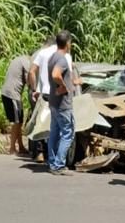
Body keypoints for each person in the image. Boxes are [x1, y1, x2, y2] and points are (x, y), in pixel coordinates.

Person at [28, 38, 72, 163]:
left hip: (43, 94)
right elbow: (68, 75)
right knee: (61, 128)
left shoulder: (41, 53)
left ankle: (41, 154)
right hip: (58, 95)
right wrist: (65, 87)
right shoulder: (65, 55)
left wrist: (34, 89)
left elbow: (31, 72)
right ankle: (57, 160)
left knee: (40, 123)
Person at [46, 30, 76, 175]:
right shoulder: (62, 59)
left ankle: (52, 163)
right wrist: (63, 87)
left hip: (53, 102)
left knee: (54, 132)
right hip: (63, 104)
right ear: (68, 43)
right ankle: (58, 165)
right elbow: (55, 75)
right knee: (68, 133)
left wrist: (70, 82)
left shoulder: (52, 57)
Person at [1, 55, 31, 155]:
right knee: (16, 121)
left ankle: (21, 146)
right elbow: (29, 79)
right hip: (13, 94)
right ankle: (12, 148)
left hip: (9, 93)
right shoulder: (26, 62)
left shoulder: (19, 59)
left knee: (19, 121)